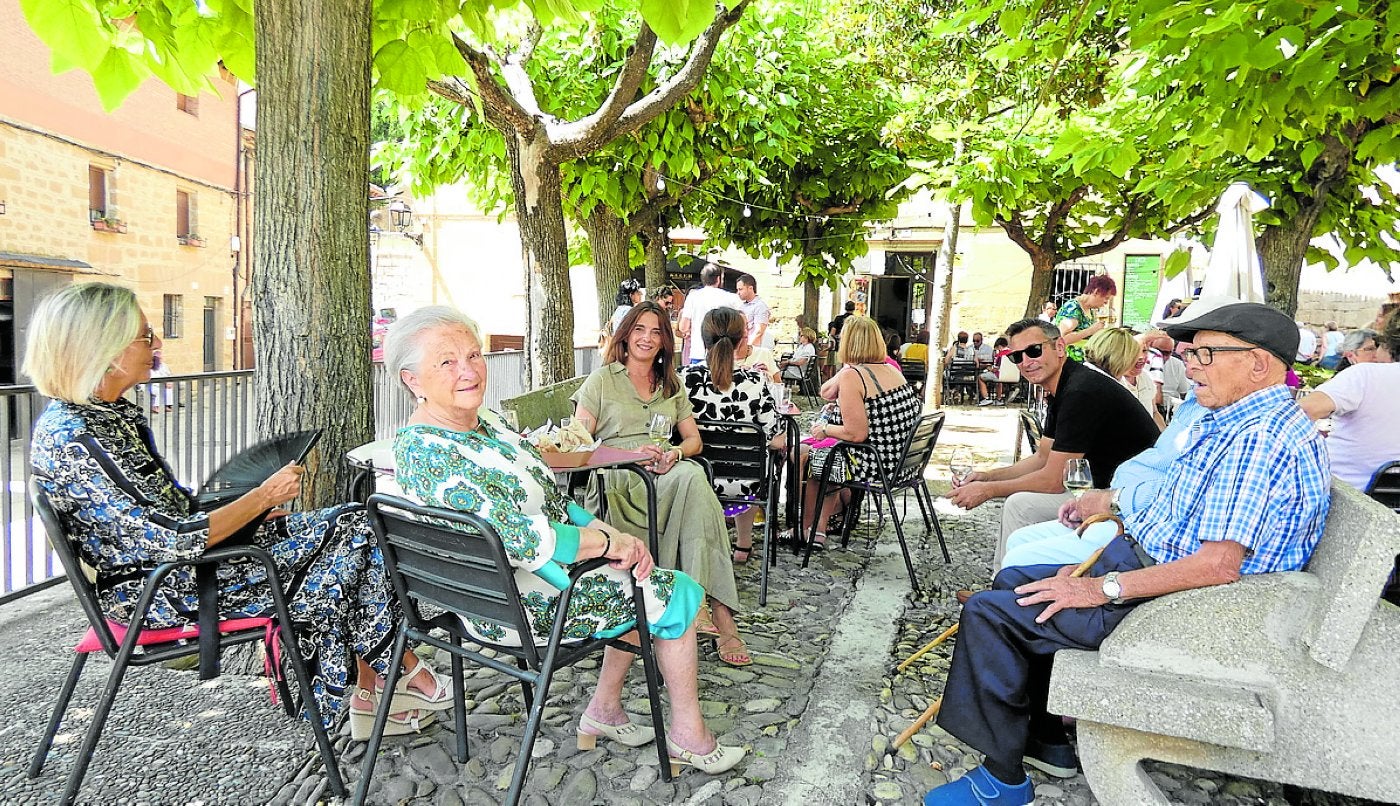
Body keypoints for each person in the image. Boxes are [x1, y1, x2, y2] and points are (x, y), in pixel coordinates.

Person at [924, 302, 1330, 806]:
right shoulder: (1238, 421)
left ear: (1258, 363)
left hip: (1192, 610)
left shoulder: (1259, 438)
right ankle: (1047, 738)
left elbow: (1218, 565)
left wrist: (1098, 587)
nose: (1190, 363)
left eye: (1206, 352)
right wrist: (1117, 525)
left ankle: (1003, 778)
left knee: (989, 612)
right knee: (1014, 583)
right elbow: (1184, 510)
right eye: (1191, 351)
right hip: (1157, 569)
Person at [26, 283, 450, 741]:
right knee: (352, 547)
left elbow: (173, 508)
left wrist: (247, 514)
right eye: (145, 336)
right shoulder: (79, 438)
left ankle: (378, 685)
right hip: (164, 590)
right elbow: (172, 538)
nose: (156, 346)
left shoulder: (105, 417)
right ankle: (392, 676)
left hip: (182, 568)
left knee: (357, 523)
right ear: (106, 350)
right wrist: (262, 498)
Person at [385, 306, 743, 773]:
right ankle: (688, 736)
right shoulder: (429, 451)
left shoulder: (485, 426)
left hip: (503, 588)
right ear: (413, 381)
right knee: (674, 591)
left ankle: (604, 711)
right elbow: (522, 536)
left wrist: (608, 533)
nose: (469, 371)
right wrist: (610, 545)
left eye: (473, 354)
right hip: (513, 607)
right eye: (447, 362)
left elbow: (548, 501)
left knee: (636, 572)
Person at [572, 301, 751, 668]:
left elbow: (693, 441)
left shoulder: (670, 384)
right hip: (619, 482)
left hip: (666, 474)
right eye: (639, 329)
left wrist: (676, 455)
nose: (647, 338)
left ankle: (701, 604)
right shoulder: (603, 380)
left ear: (665, 341)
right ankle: (716, 612)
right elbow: (577, 446)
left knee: (691, 476)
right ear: (625, 336)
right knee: (695, 482)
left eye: (656, 332)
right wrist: (629, 454)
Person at [947, 319, 1159, 565]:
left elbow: (1052, 481)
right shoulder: (1067, 384)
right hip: (1110, 489)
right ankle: (1006, 585)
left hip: (1133, 499)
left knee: (1020, 504)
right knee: (1020, 502)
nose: (1026, 362)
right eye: (1017, 357)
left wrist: (987, 491)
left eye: (1034, 350)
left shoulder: (1081, 391)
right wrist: (987, 477)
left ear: (1060, 347)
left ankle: (1005, 590)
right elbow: (1042, 458)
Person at [798, 316, 921, 549]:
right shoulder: (890, 370)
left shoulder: (854, 376)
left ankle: (810, 529)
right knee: (829, 456)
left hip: (876, 463)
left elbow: (856, 434)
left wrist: (824, 429)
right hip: (902, 461)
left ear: (848, 343)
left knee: (816, 460)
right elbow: (827, 392)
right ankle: (820, 527)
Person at [681, 308, 785, 565]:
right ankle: (744, 543)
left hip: (697, 478)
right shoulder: (756, 382)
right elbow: (777, 438)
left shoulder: (683, 379)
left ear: (703, 340)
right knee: (755, 462)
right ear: (742, 341)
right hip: (747, 483)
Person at [1083, 327, 1164, 429]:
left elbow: (1154, 412)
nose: (1141, 357)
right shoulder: (1108, 382)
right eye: (1135, 351)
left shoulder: (1146, 377)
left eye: (1144, 351)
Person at [678, 263, 741, 364]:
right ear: (718, 279)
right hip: (725, 353)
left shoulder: (693, 297)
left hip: (698, 351)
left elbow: (683, 327)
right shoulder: (732, 298)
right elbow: (741, 323)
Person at [1052, 275, 1117, 362]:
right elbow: (1062, 339)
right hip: (1071, 363)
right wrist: (1090, 330)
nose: (1106, 303)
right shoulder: (1073, 308)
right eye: (1106, 298)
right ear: (1096, 292)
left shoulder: (1089, 310)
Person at [976, 337, 1011, 405]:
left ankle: (986, 398)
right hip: (1013, 376)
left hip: (1000, 375)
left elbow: (995, 369)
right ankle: (998, 399)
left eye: (996, 349)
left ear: (999, 346)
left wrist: (988, 368)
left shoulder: (1000, 355)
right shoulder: (1012, 353)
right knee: (999, 381)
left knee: (980, 377)